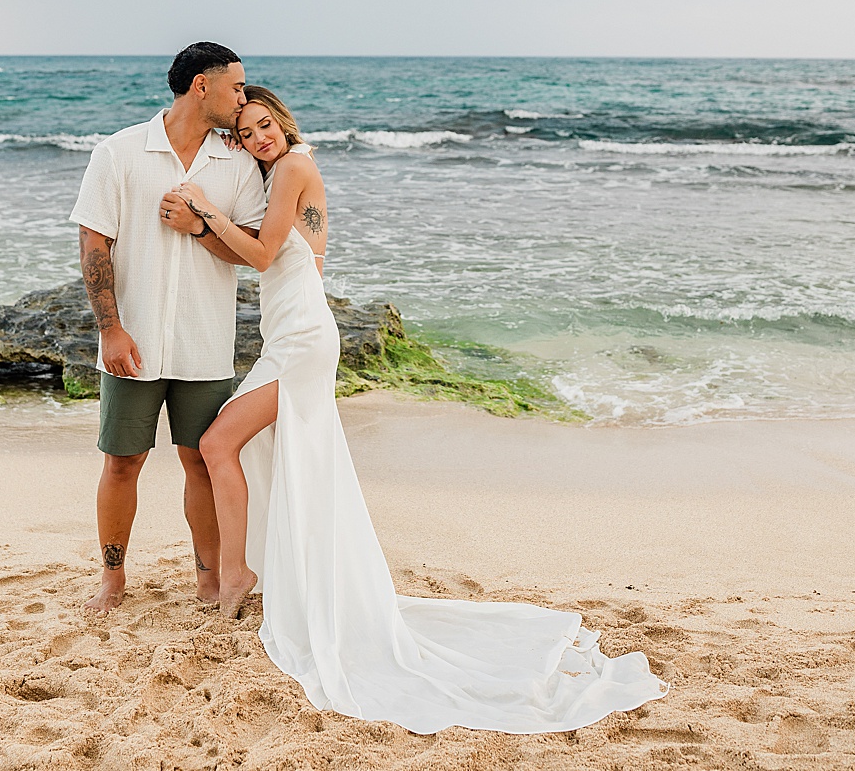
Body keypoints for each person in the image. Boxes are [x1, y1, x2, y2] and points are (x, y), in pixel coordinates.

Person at [164, 86, 667, 734]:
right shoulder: (279, 175)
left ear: (282, 123)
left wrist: (202, 209)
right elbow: (256, 250)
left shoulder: (292, 166)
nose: (258, 135)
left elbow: (260, 253)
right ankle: (260, 568)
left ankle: (236, 575)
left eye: (264, 123)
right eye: (245, 129)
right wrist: (202, 231)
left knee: (216, 443)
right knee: (248, 447)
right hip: (288, 336)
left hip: (304, 343)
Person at [68, 42, 267, 613]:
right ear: (201, 86)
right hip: (135, 343)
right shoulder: (119, 152)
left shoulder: (237, 163)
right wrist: (110, 328)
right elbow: (94, 243)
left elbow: (251, 250)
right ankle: (113, 578)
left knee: (200, 460)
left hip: (205, 343)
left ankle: (207, 579)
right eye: (235, 87)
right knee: (122, 461)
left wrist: (201, 226)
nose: (243, 98)